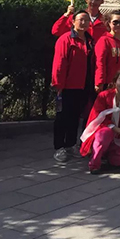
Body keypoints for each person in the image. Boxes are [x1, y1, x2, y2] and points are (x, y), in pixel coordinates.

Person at [51, 10, 95, 163]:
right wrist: (58, 84)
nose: (83, 23)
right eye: (80, 19)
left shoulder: (90, 40)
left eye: (86, 20)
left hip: (83, 85)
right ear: (73, 21)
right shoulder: (66, 39)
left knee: (75, 117)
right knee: (62, 117)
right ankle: (59, 147)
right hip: (67, 85)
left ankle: (71, 144)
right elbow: (59, 63)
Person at [80, 69, 120, 174]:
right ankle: (95, 163)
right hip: (101, 132)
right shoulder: (104, 96)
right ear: (115, 82)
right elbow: (98, 119)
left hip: (118, 136)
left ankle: (112, 161)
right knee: (105, 133)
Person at [94, 10, 120, 93]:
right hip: (108, 83)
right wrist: (99, 82)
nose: (119, 25)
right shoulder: (104, 40)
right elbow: (100, 62)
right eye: (115, 22)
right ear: (109, 23)